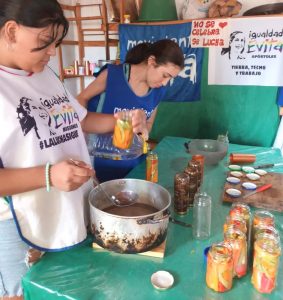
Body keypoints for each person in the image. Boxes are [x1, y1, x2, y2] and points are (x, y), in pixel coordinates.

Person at [0, 1, 147, 299]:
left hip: (68, 209)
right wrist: (49, 175)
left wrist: (120, 120)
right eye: (44, 43)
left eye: (56, 43)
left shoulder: (45, 74)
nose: (52, 52)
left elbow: (78, 120)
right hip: (20, 227)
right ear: (12, 31)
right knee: (29, 293)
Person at [77, 39, 184, 182]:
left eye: (170, 79)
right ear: (152, 61)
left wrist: (141, 137)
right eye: (165, 75)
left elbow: (148, 124)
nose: (165, 83)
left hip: (133, 164)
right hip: (99, 161)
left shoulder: (159, 91)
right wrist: (81, 139)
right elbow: (81, 98)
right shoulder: (113, 75)